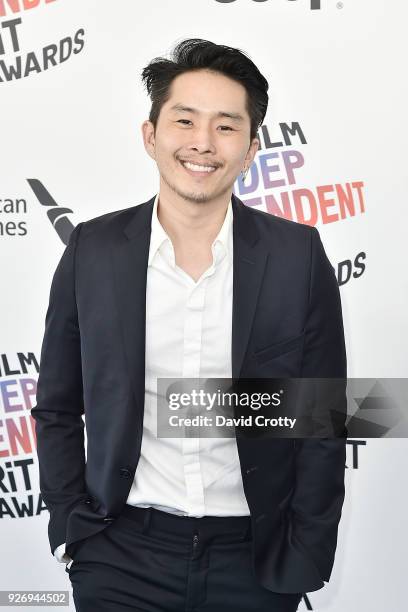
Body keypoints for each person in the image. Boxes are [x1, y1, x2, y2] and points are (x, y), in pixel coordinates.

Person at [31, 38, 347, 612]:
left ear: (251, 149)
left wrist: (306, 552)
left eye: (226, 127)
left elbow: (322, 417)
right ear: (151, 136)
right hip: (119, 555)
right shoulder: (92, 250)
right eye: (184, 121)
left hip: (255, 561)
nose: (203, 143)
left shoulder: (297, 256)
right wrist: (70, 530)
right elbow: (56, 405)